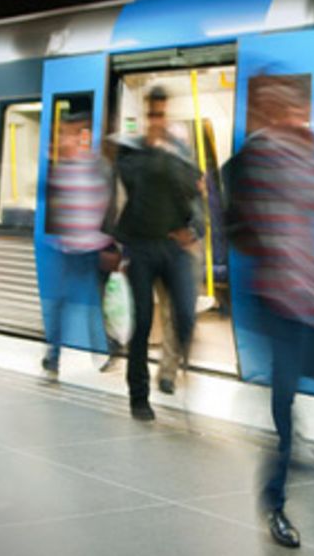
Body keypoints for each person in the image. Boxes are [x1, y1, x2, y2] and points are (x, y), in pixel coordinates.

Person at [227, 74, 314, 549]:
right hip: (279, 296)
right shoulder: (250, 160)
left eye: (297, 107)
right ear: (265, 111)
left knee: (299, 384)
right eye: (282, 107)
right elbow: (242, 224)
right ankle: (274, 501)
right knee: (284, 393)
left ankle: (292, 437)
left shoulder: (308, 155)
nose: (293, 115)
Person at [112, 86, 202, 421]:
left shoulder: (178, 149)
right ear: (145, 115)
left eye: (161, 114)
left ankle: (176, 370)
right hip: (140, 246)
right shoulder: (130, 150)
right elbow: (131, 183)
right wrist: (154, 150)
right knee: (144, 320)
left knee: (185, 314)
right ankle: (139, 396)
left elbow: (194, 189)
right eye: (152, 114)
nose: (157, 120)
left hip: (172, 244)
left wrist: (192, 230)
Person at [40, 109, 117, 381]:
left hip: (95, 252)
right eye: (62, 134)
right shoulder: (60, 171)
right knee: (63, 304)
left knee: (94, 305)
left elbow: (111, 209)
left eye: (69, 133)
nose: (64, 139)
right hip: (70, 251)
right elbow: (59, 211)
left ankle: (106, 352)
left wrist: (110, 247)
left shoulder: (99, 167)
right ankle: (54, 357)